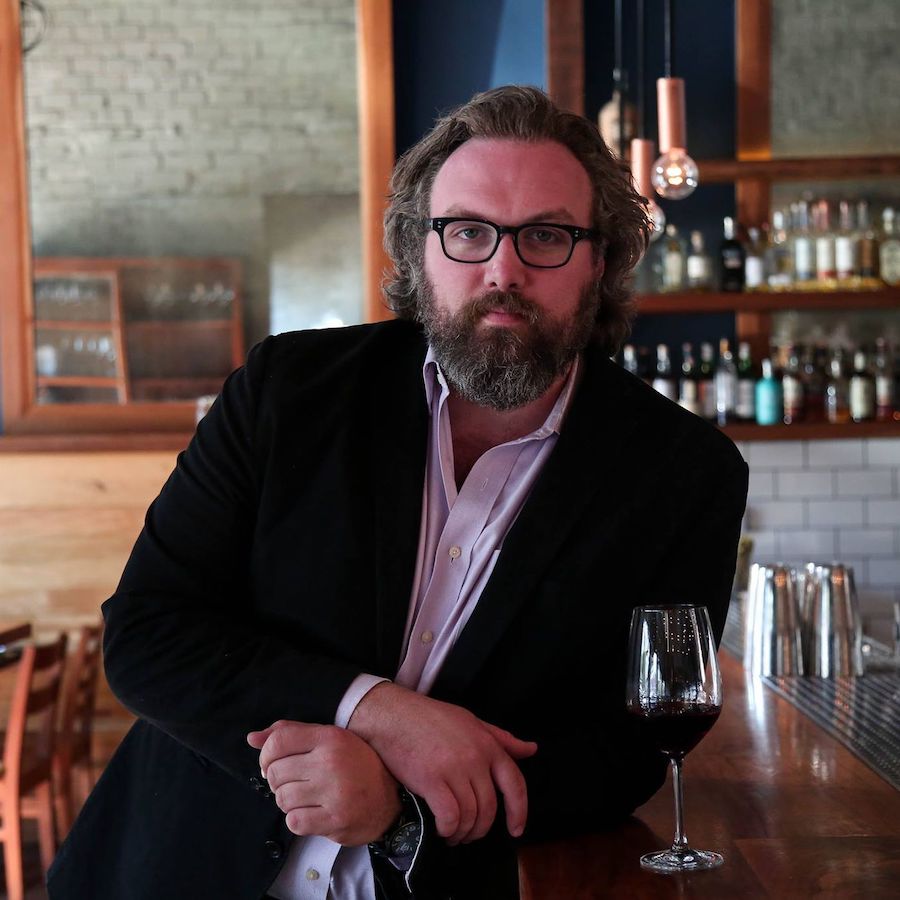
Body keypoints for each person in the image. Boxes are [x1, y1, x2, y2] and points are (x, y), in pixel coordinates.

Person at [48, 85, 748, 900]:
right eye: (468, 231)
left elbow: (621, 754)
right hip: (175, 870)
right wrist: (373, 710)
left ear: (601, 259)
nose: (503, 269)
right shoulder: (286, 392)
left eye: (547, 236)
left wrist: (401, 810)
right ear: (420, 250)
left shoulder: (684, 473)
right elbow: (148, 633)